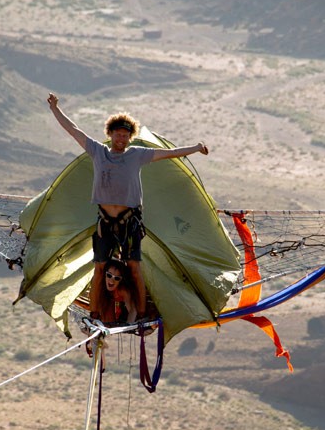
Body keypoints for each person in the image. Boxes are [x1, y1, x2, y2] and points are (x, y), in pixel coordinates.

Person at [47, 92, 209, 321]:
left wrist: (195, 148)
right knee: (100, 268)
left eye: (125, 135)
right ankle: (95, 314)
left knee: (133, 267)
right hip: (105, 222)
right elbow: (73, 130)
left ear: (130, 137)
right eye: (117, 134)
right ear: (110, 134)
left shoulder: (136, 156)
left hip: (129, 222)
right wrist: (55, 108)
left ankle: (141, 314)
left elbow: (169, 154)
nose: (121, 139)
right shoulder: (98, 152)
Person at [97, 258, 137, 325]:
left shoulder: (122, 290)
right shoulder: (101, 287)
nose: (111, 281)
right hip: (110, 303)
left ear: (121, 280)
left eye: (117, 278)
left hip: (125, 311)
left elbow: (133, 310)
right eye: (109, 275)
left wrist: (129, 325)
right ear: (105, 275)